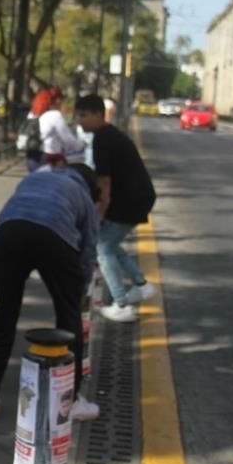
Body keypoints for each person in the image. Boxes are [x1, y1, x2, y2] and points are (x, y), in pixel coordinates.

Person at [0, 154, 101, 424]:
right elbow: (88, 249)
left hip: (8, 233)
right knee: (68, 318)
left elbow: (9, 211)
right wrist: (79, 289)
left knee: (4, 315)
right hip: (54, 237)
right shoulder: (84, 195)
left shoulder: (36, 177)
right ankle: (71, 401)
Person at [75, 94, 157, 324]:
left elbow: (105, 182)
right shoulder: (108, 135)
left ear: (98, 115)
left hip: (129, 200)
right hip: (138, 197)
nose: (79, 121)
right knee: (109, 243)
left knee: (103, 248)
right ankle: (142, 285)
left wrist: (99, 212)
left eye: (83, 115)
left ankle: (121, 305)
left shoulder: (102, 139)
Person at [22, 87, 86, 172]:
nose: (62, 102)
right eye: (61, 99)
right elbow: (68, 139)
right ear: (56, 100)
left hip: (31, 156)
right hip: (49, 159)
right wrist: (83, 144)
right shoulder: (54, 115)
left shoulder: (32, 114)